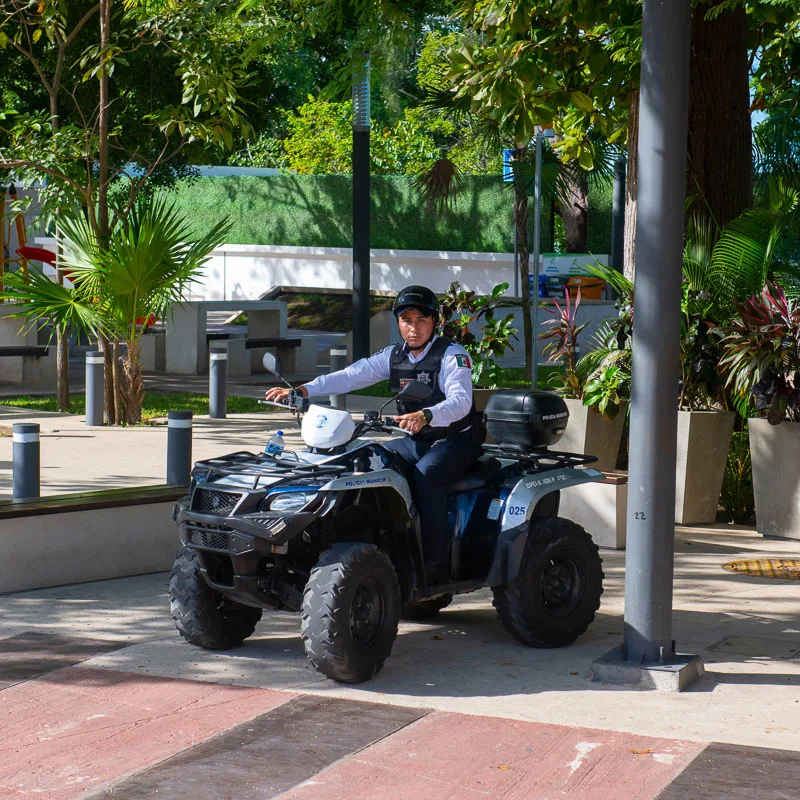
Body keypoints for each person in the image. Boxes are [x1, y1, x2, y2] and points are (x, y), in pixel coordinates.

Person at [264, 285, 483, 584]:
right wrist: (304, 389)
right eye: (407, 320)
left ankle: (434, 562)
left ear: (435, 322)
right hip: (416, 441)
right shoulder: (394, 356)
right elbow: (351, 375)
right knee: (370, 460)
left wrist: (426, 415)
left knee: (426, 477)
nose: (413, 327)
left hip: (454, 440)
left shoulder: (451, 355)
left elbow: (461, 402)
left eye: (421, 319)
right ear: (398, 323)